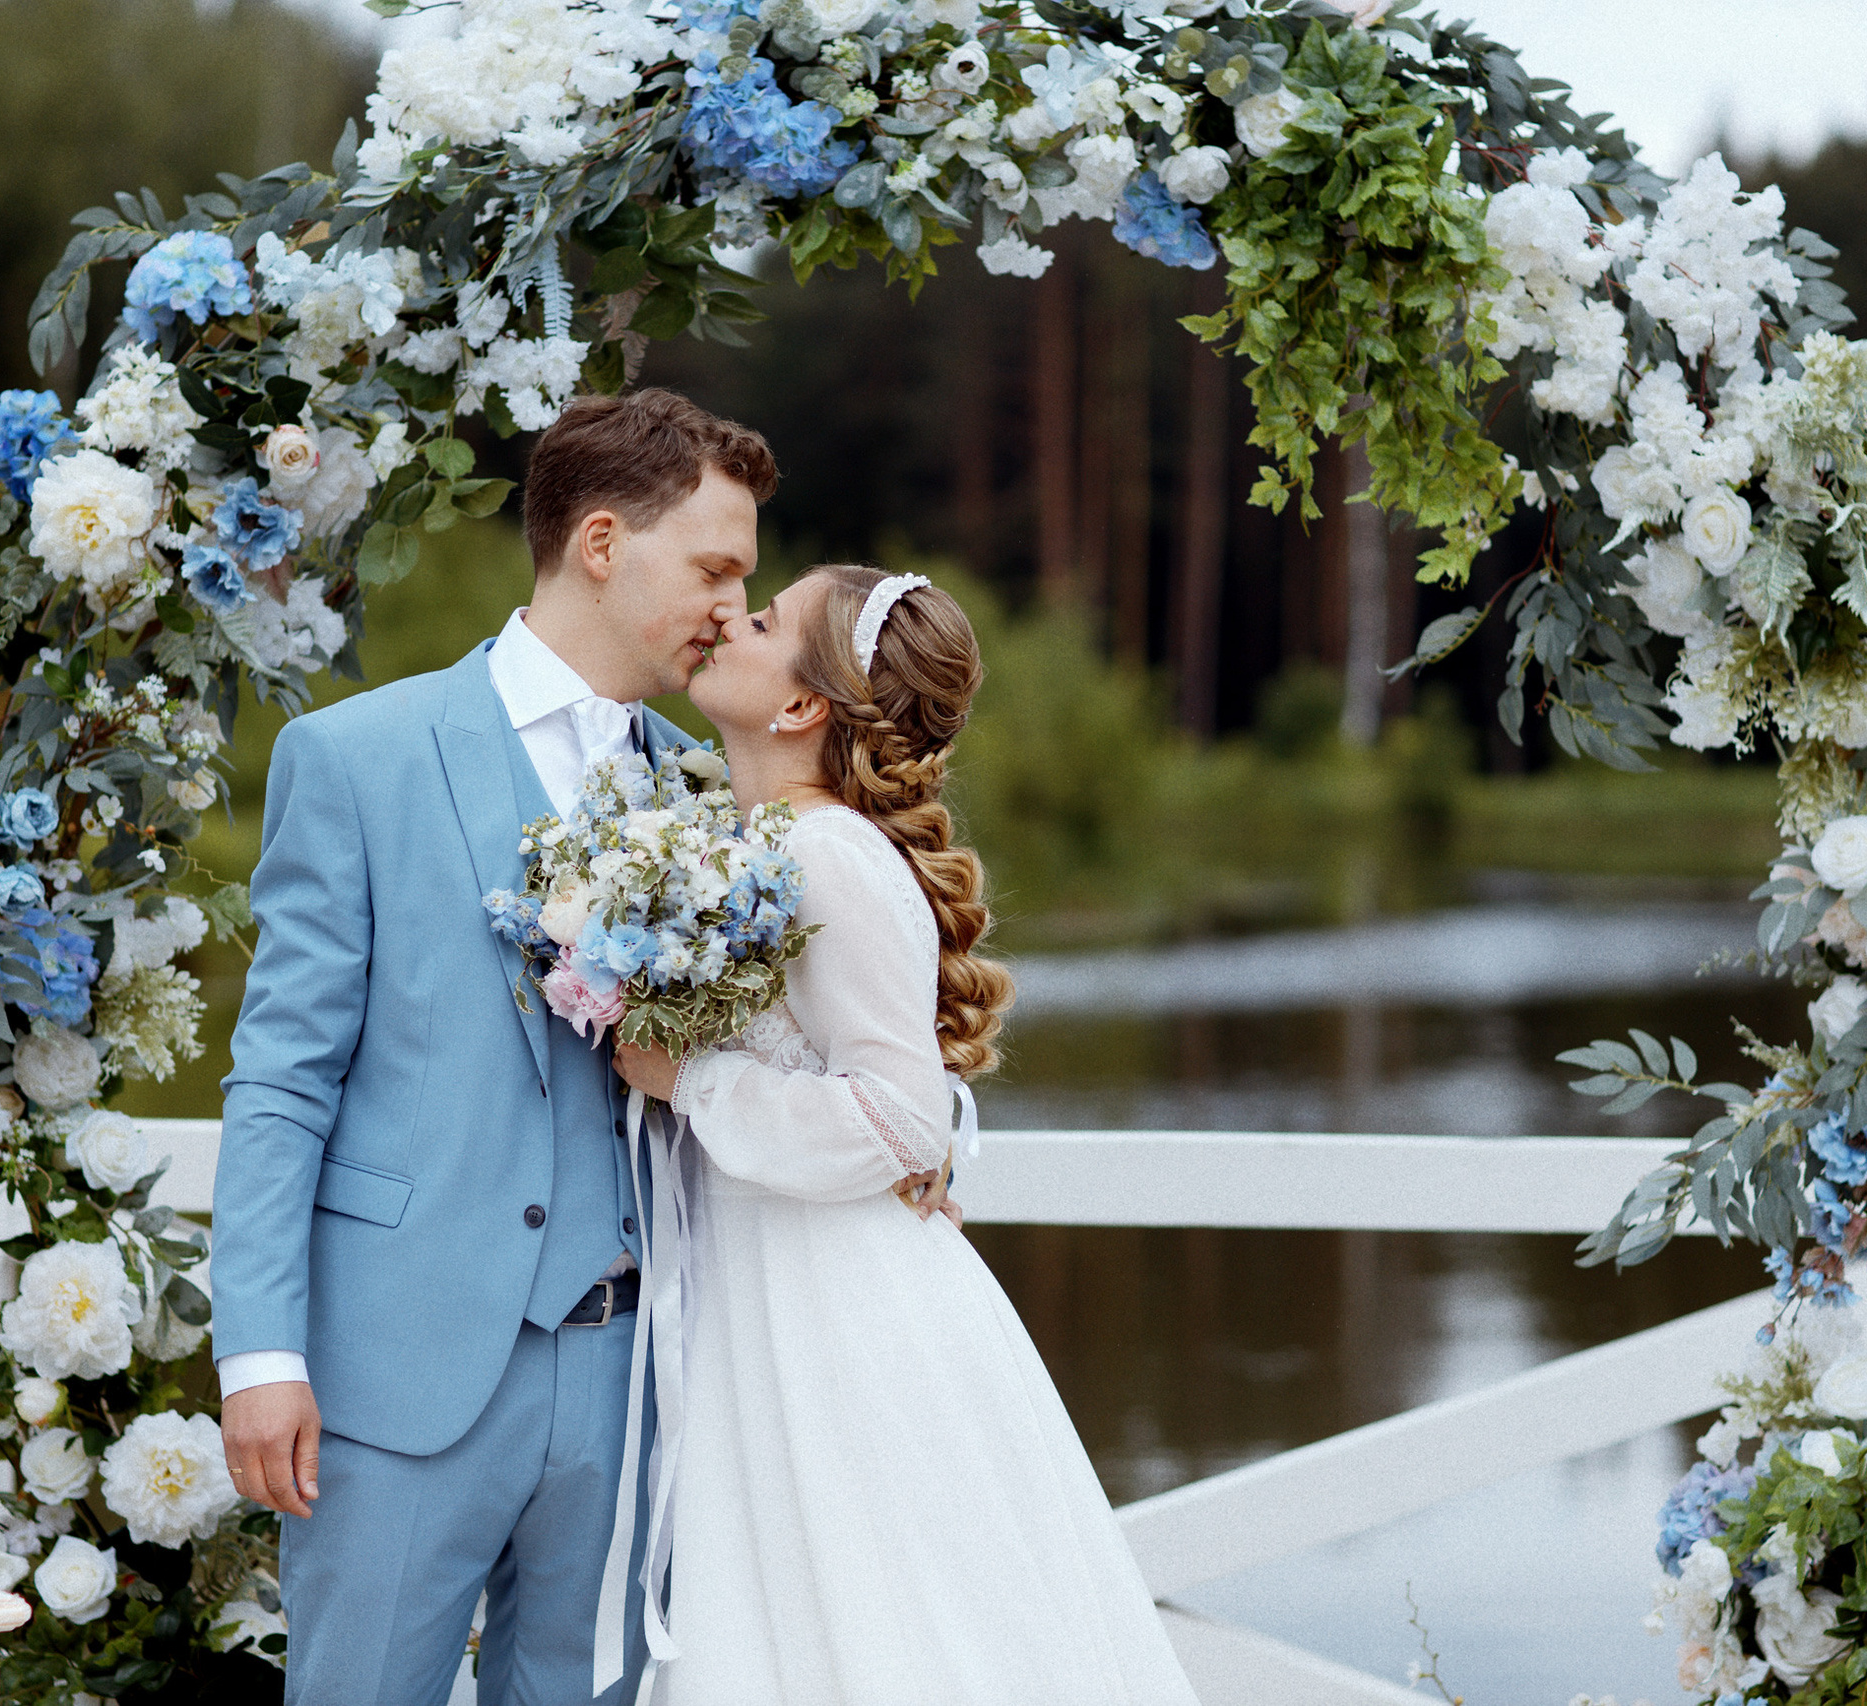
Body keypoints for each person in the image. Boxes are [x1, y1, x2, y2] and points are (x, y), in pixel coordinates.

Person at [210, 388, 776, 1705]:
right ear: (597, 542)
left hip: (637, 1382)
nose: (735, 607)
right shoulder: (355, 758)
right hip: (397, 1373)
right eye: (714, 567)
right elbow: (283, 1083)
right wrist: (262, 1354)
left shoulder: (699, 786)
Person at [613, 565, 1202, 1704]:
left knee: (873, 1619)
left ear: (801, 708)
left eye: (768, 617)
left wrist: (690, 1080)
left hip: (818, 1298)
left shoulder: (824, 853)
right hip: (758, 1269)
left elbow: (897, 1113)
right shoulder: (755, 834)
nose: (734, 615)